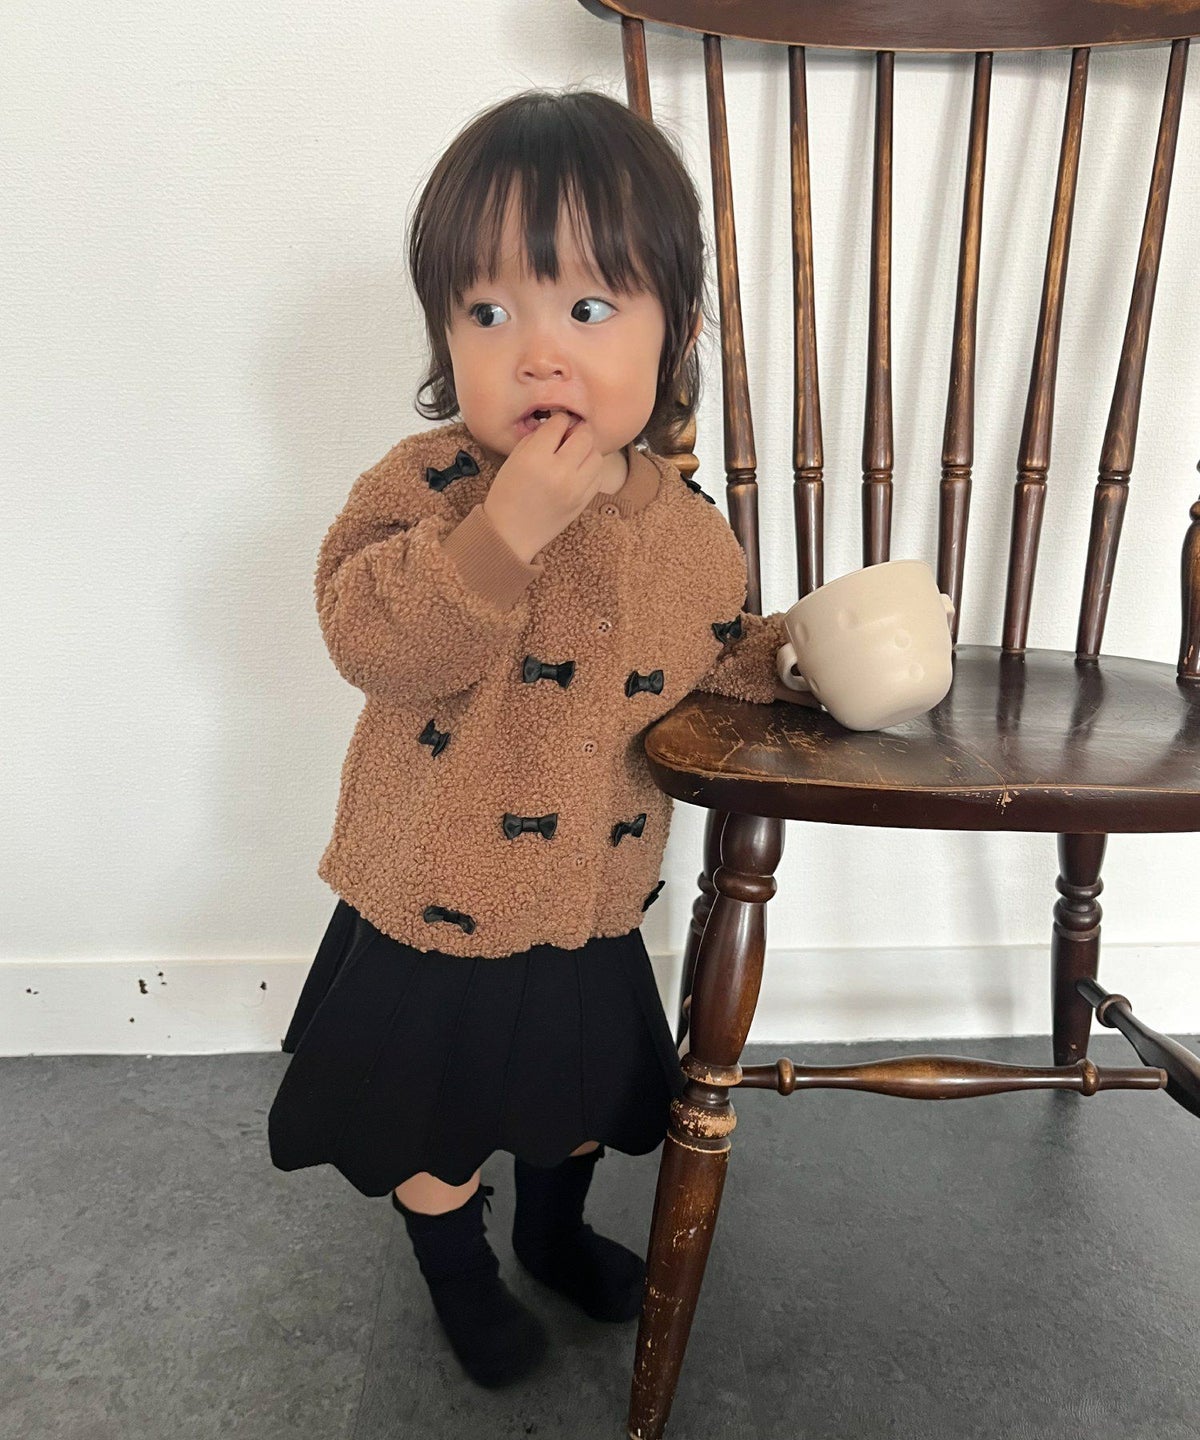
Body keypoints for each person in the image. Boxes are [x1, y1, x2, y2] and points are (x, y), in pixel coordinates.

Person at [267, 86, 808, 1391]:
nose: (536, 354)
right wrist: (500, 533)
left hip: (585, 897)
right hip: (434, 896)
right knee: (435, 1121)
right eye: (488, 312)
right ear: (445, 335)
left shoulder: (685, 529)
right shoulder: (428, 486)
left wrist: (797, 658)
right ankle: (460, 1272)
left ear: (676, 333)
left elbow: (716, 654)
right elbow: (370, 637)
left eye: (589, 309)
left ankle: (553, 1236)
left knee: (571, 1106)